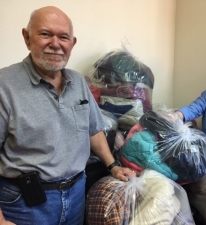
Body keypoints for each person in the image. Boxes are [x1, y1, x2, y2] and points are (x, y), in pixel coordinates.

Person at [0, 6, 135, 225]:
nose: (55, 44)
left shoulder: (79, 82)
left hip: (75, 196)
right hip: (24, 204)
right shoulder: (5, 85)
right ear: (27, 37)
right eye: (45, 34)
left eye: (63, 37)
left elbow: (93, 130)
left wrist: (112, 165)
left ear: (72, 43)